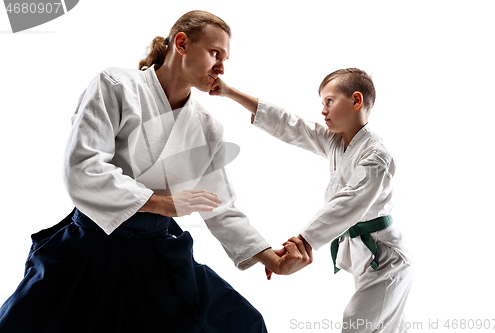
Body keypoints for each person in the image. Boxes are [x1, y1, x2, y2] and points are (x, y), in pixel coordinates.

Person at [0, 10, 312, 333]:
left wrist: (272, 260)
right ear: (181, 44)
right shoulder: (115, 86)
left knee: (243, 323)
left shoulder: (207, 128)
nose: (221, 67)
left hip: (157, 253)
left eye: (225, 59)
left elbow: (220, 207)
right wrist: (165, 204)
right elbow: (83, 168)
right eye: (215, 53)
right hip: (91, 243)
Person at [211, 68, 413, 332]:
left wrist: (303, 241)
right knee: (385, 327)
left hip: (387, 259)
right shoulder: (334, 142)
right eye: (322, 103)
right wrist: (229, 92)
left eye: (329, 101)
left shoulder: (377, 156)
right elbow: (290, 125)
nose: (323, 110)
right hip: (367, 254)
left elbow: (348, 202)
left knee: (357, 323)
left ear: (356, 101)